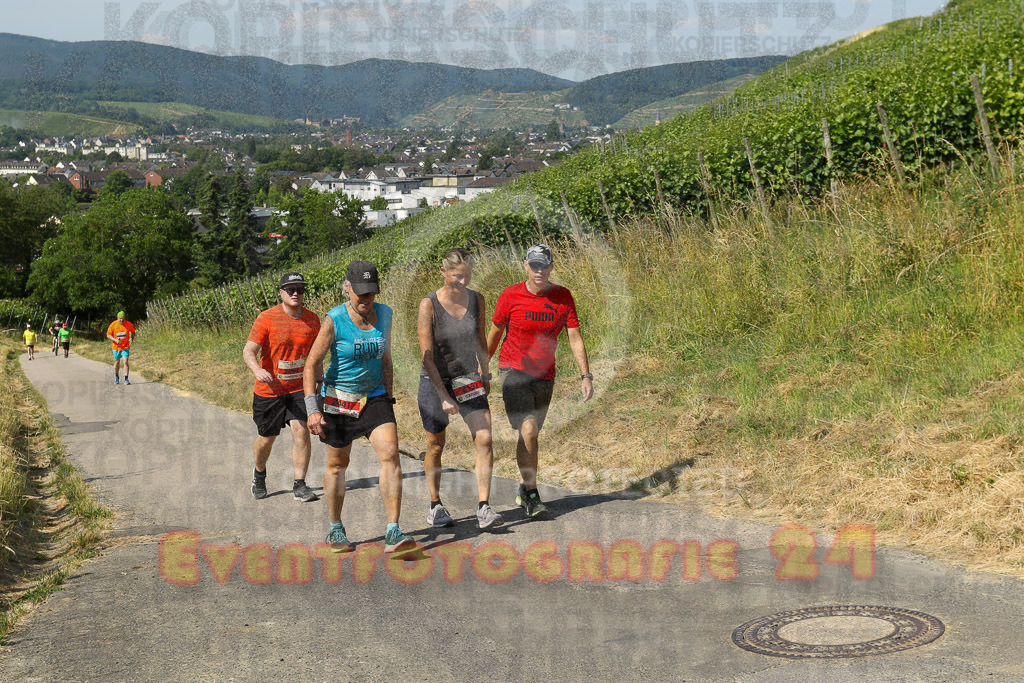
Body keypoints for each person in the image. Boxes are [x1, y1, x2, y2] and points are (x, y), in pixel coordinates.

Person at [303, 260, 413, 554]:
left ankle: (393, 530)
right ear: (348, 289)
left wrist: (388, 397)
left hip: (375, 396)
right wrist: (312, 408)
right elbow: (312, 364)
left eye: (371, 293)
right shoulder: (335, 319)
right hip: (338, 399)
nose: (366, 299)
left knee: (390, 454)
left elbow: (386, 358)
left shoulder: (386, 314)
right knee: (338, 465)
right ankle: (336, 529)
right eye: (360, 293)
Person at [486, 244, 593, 517]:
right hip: (513, 370)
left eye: (544, 265)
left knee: (531, 435)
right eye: (534, 265)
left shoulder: (562, 297)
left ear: (551, 267)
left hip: (545, 375)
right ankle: (532, 495)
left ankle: (523, 489)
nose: (539, 271)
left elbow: (574, 337)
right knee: (529, 430)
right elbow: (495, 333)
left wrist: (586, 374)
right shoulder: (510, 295)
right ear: (525, 265)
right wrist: (482, 368)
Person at [417, 248, 502, 529]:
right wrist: (442, 396)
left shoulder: (477, 299)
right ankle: (435, 505)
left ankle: (484, 508)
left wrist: (486, 374)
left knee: (485, 438)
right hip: (435, 380)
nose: (462, 282)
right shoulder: (428, 305)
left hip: (466, 377)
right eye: (456, 276)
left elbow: (480, 340)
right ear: (443, 273)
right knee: (435, 444)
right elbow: (427, 356)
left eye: (467, 275)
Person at [243, 272, 322, 503]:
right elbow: (248, 351)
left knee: (302, 432)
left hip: (299, 388)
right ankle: (259, 473)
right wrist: (257, 370)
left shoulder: (312, 320)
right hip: (270, 390)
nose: (296, 293)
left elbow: (315, 356)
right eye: (290, 289)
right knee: (267, 438)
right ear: (281, 293)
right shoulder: (267, 318)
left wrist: (320, 379)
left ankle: (300, 484)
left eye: (300, 288)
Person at [106, 311, 136, 384]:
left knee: (125, 361)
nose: (121, 320)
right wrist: (115, 340)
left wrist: (131, 338)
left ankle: (126, 379)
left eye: (123, 318)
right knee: (117, 362)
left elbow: (133, 332)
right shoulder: (113, 324)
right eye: (120, 319)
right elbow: (108, 335)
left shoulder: (128, 324)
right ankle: (116, 377)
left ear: (125, 318)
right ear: (117, 318)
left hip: (125, 346)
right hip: (116, 347)